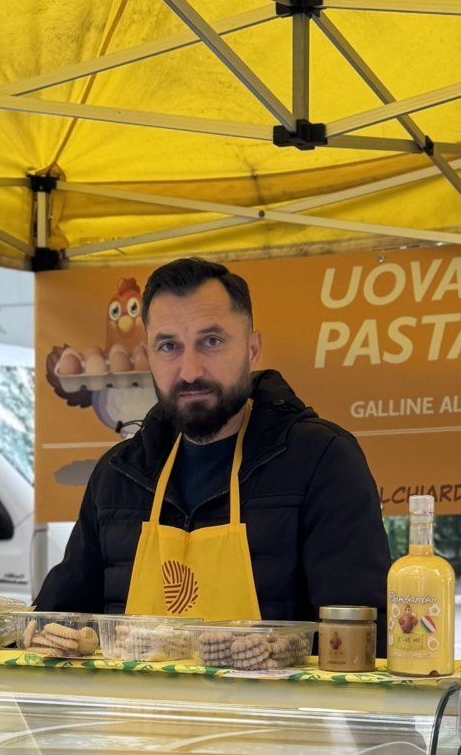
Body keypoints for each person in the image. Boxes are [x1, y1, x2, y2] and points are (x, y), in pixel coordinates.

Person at [37, 257, 391, 624]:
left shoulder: (322, 462)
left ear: (252, 350)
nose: (190, 371)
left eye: (211, 341)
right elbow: (55, 625)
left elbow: (361, 639)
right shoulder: (117, 475)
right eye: (168, 346)